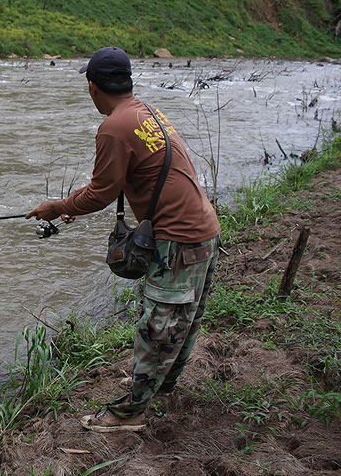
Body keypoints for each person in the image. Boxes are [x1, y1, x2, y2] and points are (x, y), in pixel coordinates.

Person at [25, 46, 220, 432]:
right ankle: (160, 389)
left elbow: (100, 192)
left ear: (93, 86)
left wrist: (57, 205)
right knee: (184, 320)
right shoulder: (147, 112)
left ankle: (128, 415)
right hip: (203, 229)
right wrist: (76, 204)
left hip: (178, 240)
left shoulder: (113, 127)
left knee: (158, 328)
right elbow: (125, 179)